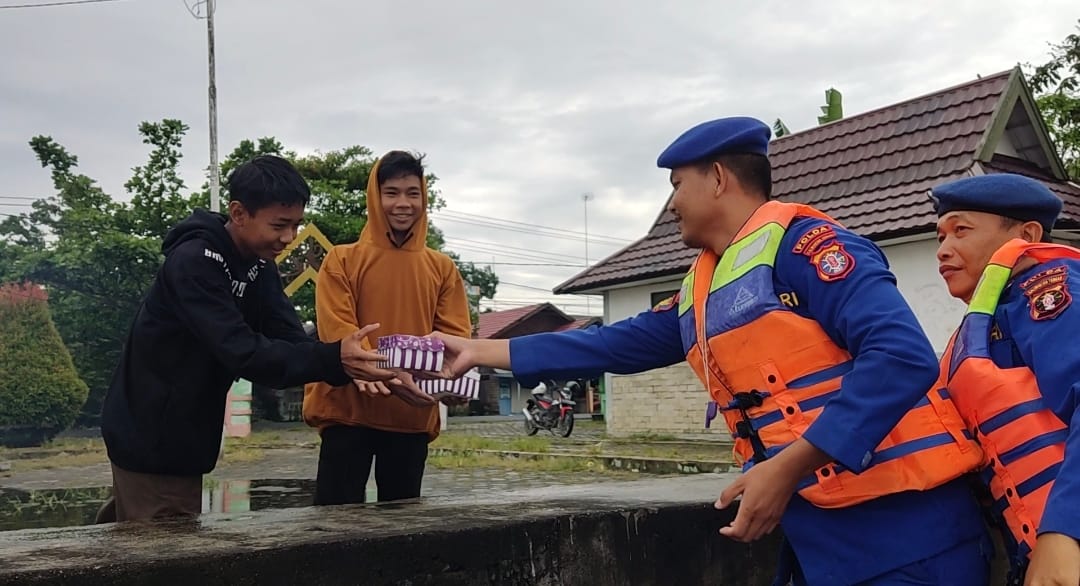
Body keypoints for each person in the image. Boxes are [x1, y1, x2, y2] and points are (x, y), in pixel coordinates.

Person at [428, 117, 992, 585]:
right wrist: (478, 351)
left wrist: (786, 468)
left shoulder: (811, 248)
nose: (672, 203)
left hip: (907, 536)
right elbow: (609, 343)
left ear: (718, 178)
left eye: (677, 184)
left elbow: (902, 356)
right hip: (818, 542)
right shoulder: (702, 289)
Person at [98, 155, 403, 523]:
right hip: (150, 430)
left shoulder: (258, 266)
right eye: (279, 225)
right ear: (239, 213)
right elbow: (242, 351)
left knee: (137, 529)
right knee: (162, 541)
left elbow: (289, 335)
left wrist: (349, 362)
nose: (288, 238)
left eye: (295, 225)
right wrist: (333, 359)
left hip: (185, 432)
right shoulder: (195, 262)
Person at [931, 173, 1080, 586]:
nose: (943, 250)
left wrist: (1065, 533)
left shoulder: (1049, 293)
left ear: (1027, 234)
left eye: (961, 230)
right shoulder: (984, 325)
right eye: (940, 237)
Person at [303, 150, 472, 506]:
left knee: (403, 527)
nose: (403, 203)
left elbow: (455, 339)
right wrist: (391, 375)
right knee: (334, 525)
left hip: (411, 416)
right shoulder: (342, 259)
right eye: (391, 192)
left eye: (413, 193)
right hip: (346, 413)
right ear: (374, 198)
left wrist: (453, 380)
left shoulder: (441, 268)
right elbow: (339, 334)